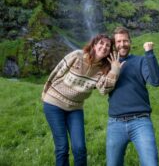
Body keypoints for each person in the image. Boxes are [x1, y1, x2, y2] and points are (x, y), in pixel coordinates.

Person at [42, 33, 123, 166]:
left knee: (80, 148)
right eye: (101, 43)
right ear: (94, 45)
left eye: (107, 45)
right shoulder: (77, 55)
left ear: (109, 51)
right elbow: (58, 71)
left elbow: (103, 90)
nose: (104, 47)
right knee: (62, 147)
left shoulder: (103, 68)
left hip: (75, 108)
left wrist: (114, 70)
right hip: (54, 104)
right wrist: (46, 92)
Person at [106, 27, 159, 166]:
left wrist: (149, 53)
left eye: (125, 40)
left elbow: (156, 81)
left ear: (130, 42)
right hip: (115, 123)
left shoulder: (140, 61)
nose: (122, 44)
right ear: (114, 44)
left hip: (141, 122)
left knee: (151, 163)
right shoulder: (108, 64)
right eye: (118, 41)